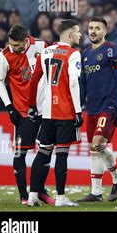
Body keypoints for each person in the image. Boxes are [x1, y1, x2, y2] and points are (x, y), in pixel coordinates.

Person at [27, 20, 84, 207]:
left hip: (47, 112)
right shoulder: (74, 54)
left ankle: (33, 195)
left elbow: (34, 80)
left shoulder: (45, 52)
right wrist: (78, 110)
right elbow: (74, 83)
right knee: (62, 154)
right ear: (69, 35)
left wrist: (32, 105)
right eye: (77, 32)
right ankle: (60, 197)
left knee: (43, 153)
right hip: (65, 111)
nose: (80, 35)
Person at [0, 25, 54, 205]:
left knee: (46, 151)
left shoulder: (42, 46)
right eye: (11, 44)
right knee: (20, 153)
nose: (13, 48)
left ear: (26, 40)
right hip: (22, 112)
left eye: (17, 45)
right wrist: (9, 107)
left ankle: (40, 190)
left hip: (45, 110)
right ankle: (23, 195)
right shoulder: (4, 55)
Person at [77, 16, 117, 203]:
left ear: (105, 31)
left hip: (109, 105)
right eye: (90, 28)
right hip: (92, 108)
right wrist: (79, 107)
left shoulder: (113, 50)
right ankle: (96, 192)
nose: (93, 31)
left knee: (98, 143)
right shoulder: (85, 54)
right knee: (93, 148)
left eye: (98, 28)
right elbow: (83, 83)